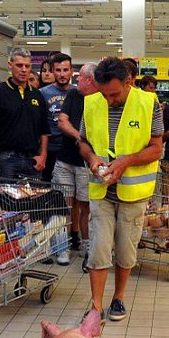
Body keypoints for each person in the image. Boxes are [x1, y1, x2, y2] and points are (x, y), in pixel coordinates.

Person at [79, 57, 163, 322]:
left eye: (114, 94)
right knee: (98, 248)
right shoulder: (92, 102)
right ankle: (95, 306)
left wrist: (126, 161)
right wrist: (92, 159)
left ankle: (119, 297)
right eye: (104, 94)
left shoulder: (149, 103)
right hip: (101, 190)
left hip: (133, 193)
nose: (109, 100)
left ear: (128, 81)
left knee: (126, 250)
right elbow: (83, 143)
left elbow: (156, 148)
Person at [55, 62, 98, 270]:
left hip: (85, 164)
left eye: (80, 76)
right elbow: (62, 122)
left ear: (89, 80)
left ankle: (88, 247)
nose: (76, 79)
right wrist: (80, 137)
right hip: (65, 160)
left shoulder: (100, 99)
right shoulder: (73, 95)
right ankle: (63, 246)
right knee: (65, 205)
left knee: (85, 207)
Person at [0, 47, 50, 178]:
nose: (23, 70)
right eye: (19, 65)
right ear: (10, 65)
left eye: (27, 66)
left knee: (34, 197)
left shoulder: (37, 95)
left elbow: (44, 130)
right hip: (6, 159)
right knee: (6, 198)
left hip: (33, 160)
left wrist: (43, 156)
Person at [39, 52, 74, 184]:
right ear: (53, 71)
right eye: (58, 70)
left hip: (71, 148)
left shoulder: (78, 92)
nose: (62, 74)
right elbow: (40, 124)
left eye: (65, 70)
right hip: (49, 149)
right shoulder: (43, 93)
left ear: (71, 71)